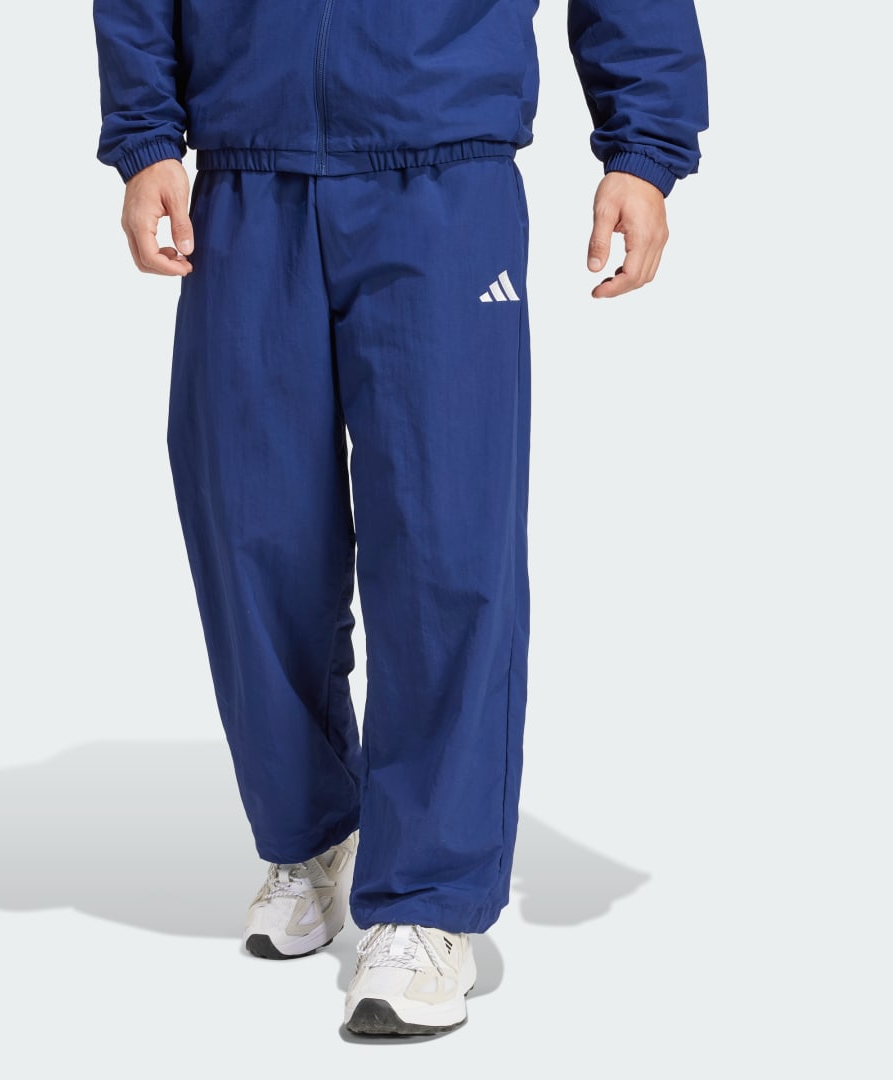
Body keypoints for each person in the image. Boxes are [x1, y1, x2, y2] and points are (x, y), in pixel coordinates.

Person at [92, 0, 708, 1038]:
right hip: (244, 177)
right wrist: (147, 134)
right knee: (249, 530)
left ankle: (428, 901)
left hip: (443, 169)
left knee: (444, 542)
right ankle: (309, 833)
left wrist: (643, 150)